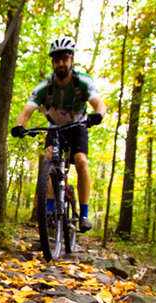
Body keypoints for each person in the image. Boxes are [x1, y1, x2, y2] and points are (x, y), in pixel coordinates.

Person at [11, 36, 107, 233]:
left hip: (78, 126)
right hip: (54, 128)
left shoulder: (83, 82)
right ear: (53, 63)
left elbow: (99, 103)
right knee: (50, 160)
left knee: (81, 160)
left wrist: (97, 116)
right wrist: (19, 126)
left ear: (72, 60)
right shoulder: (44, 88)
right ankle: (50, 211)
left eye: (65, 58)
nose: (61, 63)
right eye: (57, 60)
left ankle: (84, 214)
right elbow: (26, 111)